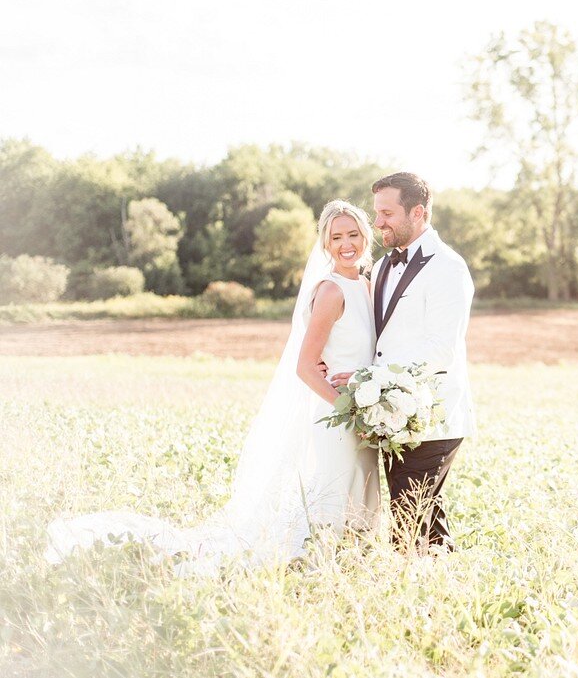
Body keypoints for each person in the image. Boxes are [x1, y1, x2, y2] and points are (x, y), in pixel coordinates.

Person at [44, 201, 380, 573]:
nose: (346, 243)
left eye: (353, 234)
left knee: (360, 496)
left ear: (365, 236)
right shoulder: (331, 292)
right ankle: (313, 566)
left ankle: (347, 566)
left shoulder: (366, 286)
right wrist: (347, 408)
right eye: (337, 237)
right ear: (325, 244)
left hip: (364, 415)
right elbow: (305, 366)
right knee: (331, 497)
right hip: (339, 417)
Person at [329, 172, 476, 553]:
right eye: (376, 213)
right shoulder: (380, 268)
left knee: (412, 525)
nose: (378, 223)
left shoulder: (448, 267)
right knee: (418, 520)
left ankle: (428, 595)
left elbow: (441, 348)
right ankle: (437, 592)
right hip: (393, 419)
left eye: (387, 213)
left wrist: (369, 380)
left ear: (419, 212)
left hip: (433, 419)